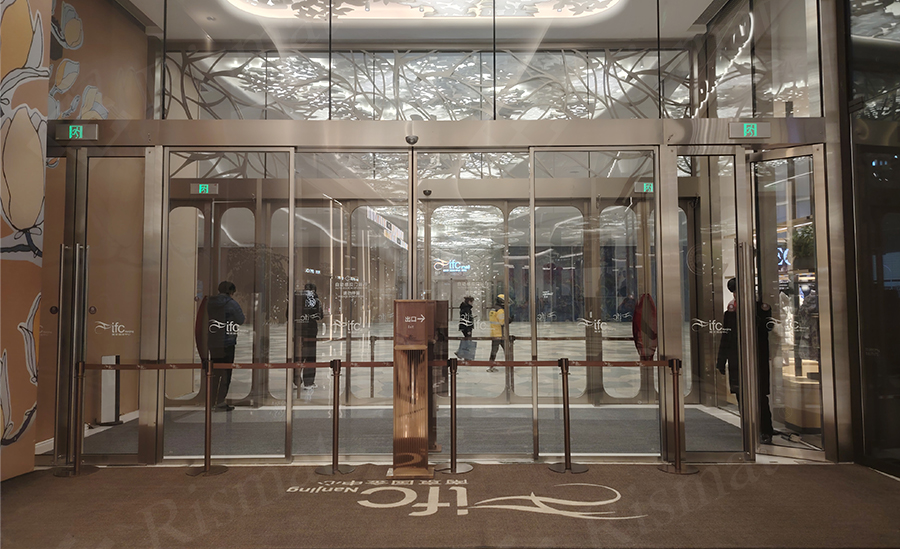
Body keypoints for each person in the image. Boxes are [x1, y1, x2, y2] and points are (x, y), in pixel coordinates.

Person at [715, 277, 774, 443]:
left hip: (757, 358)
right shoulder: (730, 314)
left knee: (760, 395)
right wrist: (721, 361)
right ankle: (748, 427)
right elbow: (726, 337)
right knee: (740, 394)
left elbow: (767, 329)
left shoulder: (762, 310)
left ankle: (765, 430)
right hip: (737, 359)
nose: (736, 295)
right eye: (734, 292)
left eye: (738, 292)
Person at [207, 281, 245, 412]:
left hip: (213, 341)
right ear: (231, 291)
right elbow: (241, 320)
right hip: (227, 342)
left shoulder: (210, 303)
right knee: (226, 372)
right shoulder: (232, 304)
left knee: (214, 372)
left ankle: (211, 400)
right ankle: (220, 401)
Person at [294, 283, 323, 393]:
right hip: (310, 331)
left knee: (297, 355)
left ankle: (296, 379)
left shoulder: (295, 298)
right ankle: (308, 382)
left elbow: (288, 314)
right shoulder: (315, 299)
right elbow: (319, 316)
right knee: (310, 356)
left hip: (297, 330)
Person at [488, 294, 507, 371]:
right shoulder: (500, 310)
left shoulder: (493, 309)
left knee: (493, 351)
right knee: (507, 350)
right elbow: (502, 322)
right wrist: (508, 320)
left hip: (494, 333)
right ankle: (509, 364)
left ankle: (491, 366)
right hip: (500, 334)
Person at [456, 296, 475, 360]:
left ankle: (461, 353)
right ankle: (464, 355)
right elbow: (467, 320)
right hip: (466, 327)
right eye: (472, 302)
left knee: (466, 340)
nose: (472, 303)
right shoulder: (467, 309)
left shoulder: (464, 308)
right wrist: (469, 329)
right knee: (468, 341)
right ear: (469, 302)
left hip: (464, 326)